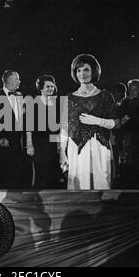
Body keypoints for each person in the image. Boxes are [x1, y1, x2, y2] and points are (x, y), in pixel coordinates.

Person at [59, 54, 119, 190]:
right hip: (76, 148)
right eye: (78, 70)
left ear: (93, 71)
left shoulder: (105, 96)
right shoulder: (69, 98)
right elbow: (64, 128)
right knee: (79, 188)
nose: (82, 74)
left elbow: (116, 123)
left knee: (102, 186)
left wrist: (98, 121)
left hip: (100, 146)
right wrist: (62, 152)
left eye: (86, 70)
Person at [0, 70, 30, 188]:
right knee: (3, 179)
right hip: (3, 145)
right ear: (9, 80)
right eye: (17, 79)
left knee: (18, 179)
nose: (19, 81)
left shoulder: (20, 96)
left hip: (19, 145)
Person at [25, 74, 62, 189]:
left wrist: (60, 146)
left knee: (53, 173)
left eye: (52, 86)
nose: (51, 89)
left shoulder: (57, 103)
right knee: (40, 172)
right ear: (41, 88)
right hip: (38, 142)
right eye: (48, 87)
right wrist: (29, 145)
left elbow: (60, 127)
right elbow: (28, 126)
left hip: (53, 142)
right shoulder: (33, 103)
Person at [117, 79, 139, 188]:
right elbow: (120, 116)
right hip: (127, 134)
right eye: (130, 89)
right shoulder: (126, 102)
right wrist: (124, 119)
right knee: (127, 159)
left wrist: (130, 116)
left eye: (135, 89)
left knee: (137, 159)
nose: (132, 91)